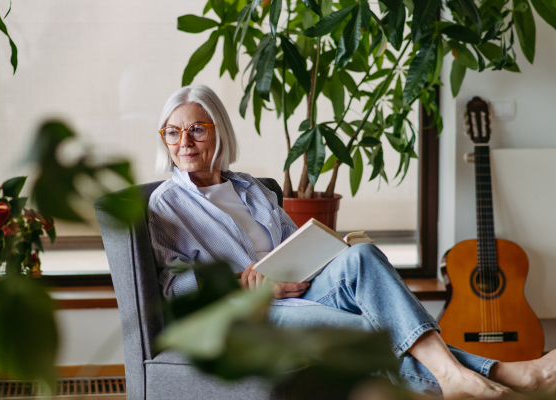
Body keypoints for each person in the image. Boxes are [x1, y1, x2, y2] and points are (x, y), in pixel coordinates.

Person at [147, 85, 556, 399]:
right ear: (164, 138)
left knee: (359, 254)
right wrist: (244, 283)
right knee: (368, 329)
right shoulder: (166, 205)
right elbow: (171, 286)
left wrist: (323, 251)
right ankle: (496, 374)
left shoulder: (250, 187)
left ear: (219, 131)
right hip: (246, 313)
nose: (184, 141)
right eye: (173, 131)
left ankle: (464, 379)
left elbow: (293, 240)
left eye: (197, 129)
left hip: (298, 287)